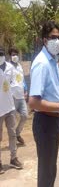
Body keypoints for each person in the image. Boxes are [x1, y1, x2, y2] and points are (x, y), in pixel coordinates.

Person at [28, 21, 59, 187]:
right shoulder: (41, 63)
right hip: (45, 122)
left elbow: (51, 91)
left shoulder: (53, 61)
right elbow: (33, 102)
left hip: (53, 121)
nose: (57, 41)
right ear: (44, 40)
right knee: (46, 172)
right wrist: (58, 107)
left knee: (51, 169)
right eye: (53, 37)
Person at [0, 46, 23, 174]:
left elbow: (16, 82)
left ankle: (13, 158)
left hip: (9, 107)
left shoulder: (9, 67)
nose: (1, 56)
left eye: (2, 54)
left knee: (12, 134)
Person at [9, 47, 28, 145]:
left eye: (16, 54)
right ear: (10, 56)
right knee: (12, 121)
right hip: (12, 97)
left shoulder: (20, 66)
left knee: (25, 116)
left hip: (21, 96)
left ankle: (17, 133)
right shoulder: (7, 67)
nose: (15, 56)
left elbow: (22, 79)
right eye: (13, 54)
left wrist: (26, 90)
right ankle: (12, 142)